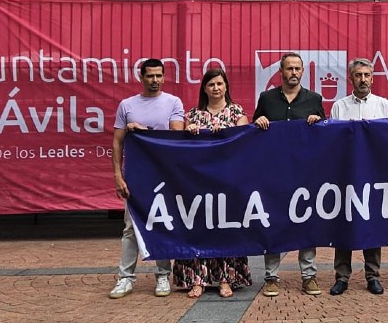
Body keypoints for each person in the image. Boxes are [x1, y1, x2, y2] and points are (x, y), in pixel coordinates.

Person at [109, 59, 185, 299]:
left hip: (164, 175)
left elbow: (176, 135)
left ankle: (163, 275)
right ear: (141, 77)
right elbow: (117, 142)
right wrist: (117, 175)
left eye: (159, 75)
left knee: (162, 223)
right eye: (150, 76)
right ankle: (125, 278)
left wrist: (144, 131)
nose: (155, 80)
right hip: (136, 177)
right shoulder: (127, 105)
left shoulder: (173, 102)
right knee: (131, 228)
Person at [172, 68, 251, 299]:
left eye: (219, 83)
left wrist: (227, 133)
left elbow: (244, 144)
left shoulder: (237, 113)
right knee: (198, 229)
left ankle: (226, 278)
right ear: (204, 89)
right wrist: (189, 132)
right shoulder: (193, 115)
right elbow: (182, 149)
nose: (216, 88)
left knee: (226, 229)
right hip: (199, 183)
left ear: (226, 86)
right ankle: (198, 279)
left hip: (228, 182)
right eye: (211, 84)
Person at [252, 52, 326, 297]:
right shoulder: (267, 98)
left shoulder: (314, 99)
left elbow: (325, 135)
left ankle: (309, 276)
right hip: (274, 172)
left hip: (305, 173)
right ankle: (271, 277)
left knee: (306, 222)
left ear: (303, 71)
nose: (293, 72)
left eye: (297, 68)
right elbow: (253, 131)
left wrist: (318, 121)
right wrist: (259, 121)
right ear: (281, 71)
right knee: (273, 222)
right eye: (289, 68)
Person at [327, 59, 388, 296]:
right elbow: (332, 141)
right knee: (344, 222)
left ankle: (372, 276)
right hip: (345, 173)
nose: (363, 79)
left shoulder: (383, 105)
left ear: (372, 78)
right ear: (351, 78)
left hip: (374, 173)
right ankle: (342, 276)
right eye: (358, 75)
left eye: (366, 75)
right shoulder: (339, 106)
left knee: (371, 222)